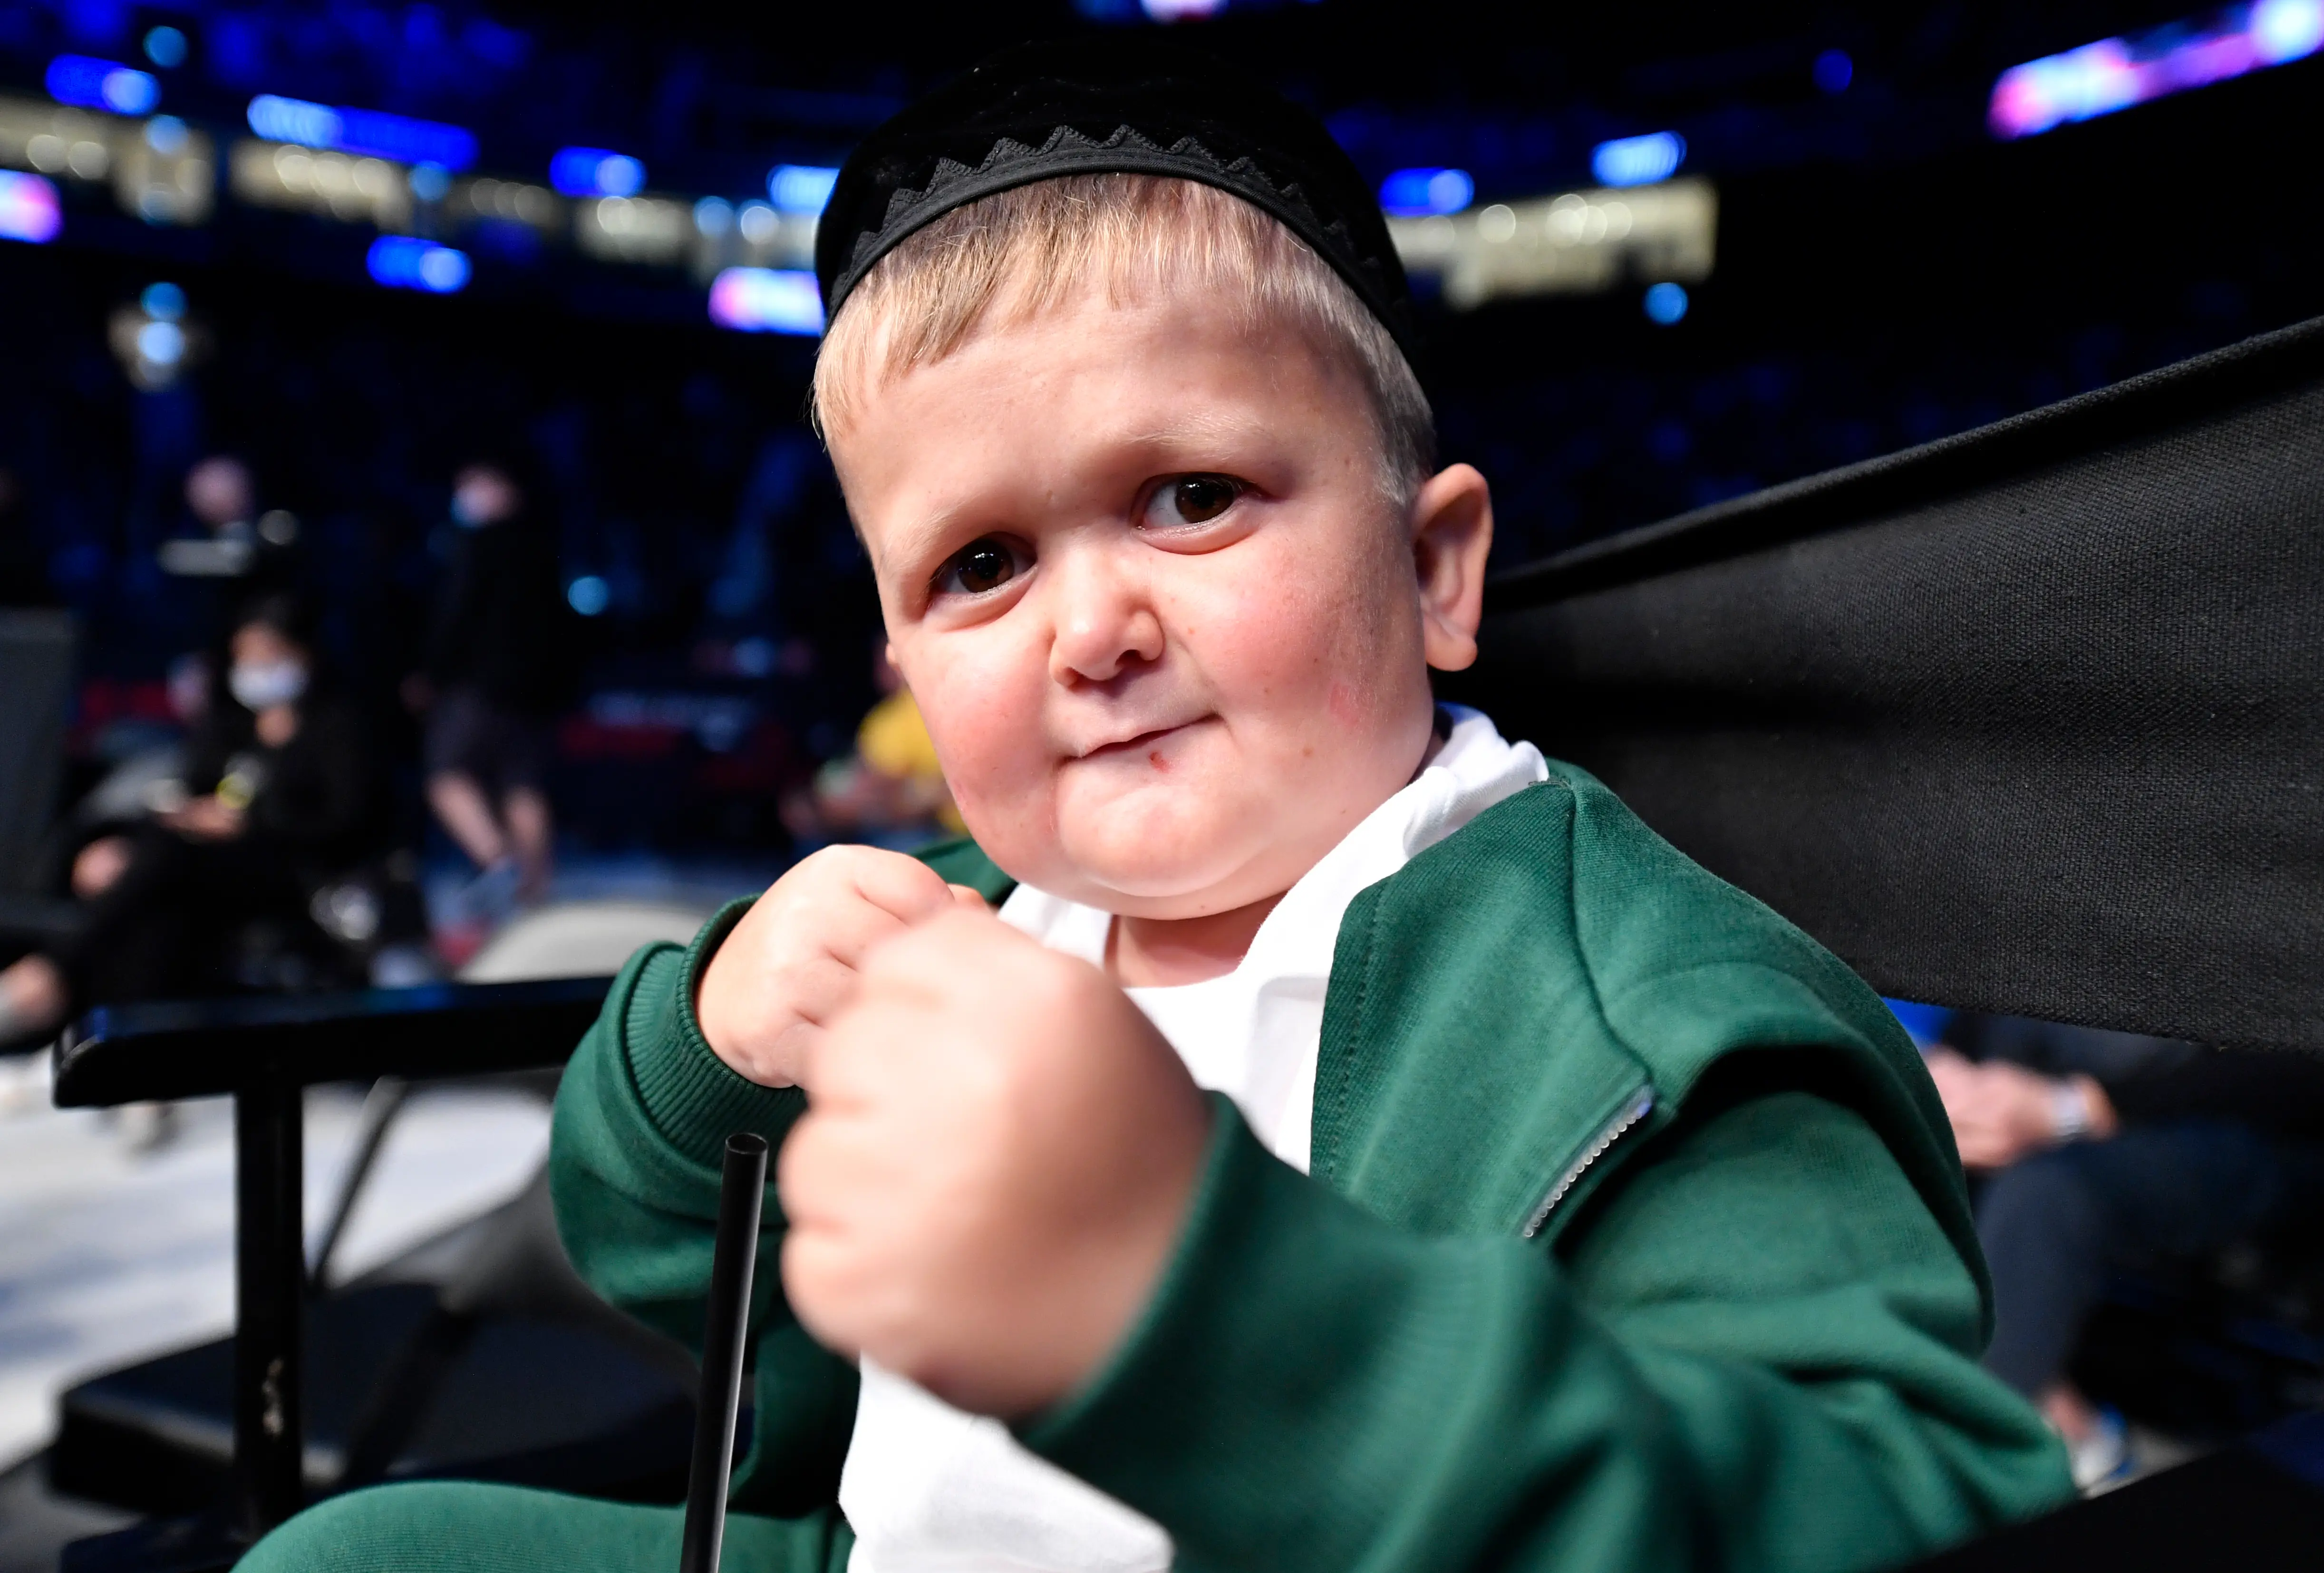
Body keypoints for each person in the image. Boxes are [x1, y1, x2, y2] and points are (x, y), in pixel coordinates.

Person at [242, 41, 2071, 1573]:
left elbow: (1905, 1512)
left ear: (1436, 570)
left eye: (1192, 495)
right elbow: (649, 1248)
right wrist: (710, 1046)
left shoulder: (1657, 1016)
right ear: (894, 657)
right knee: (342, 1551)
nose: (1092, 627)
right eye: (977, 563)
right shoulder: (948, 914)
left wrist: (1199, 1300)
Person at [1926, 1016, 2324, 1489]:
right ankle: (2058, 1419)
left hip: (2244, 1121)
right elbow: (1986, 1011)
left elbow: (2289, 1064)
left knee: (2047, 1195)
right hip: (2045, 1107)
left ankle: (1967, 1468)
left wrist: (2076, 1109)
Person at [0, 595, 368, 1044]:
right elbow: (186, 795)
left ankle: (51, 974)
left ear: (303, 653)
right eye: (246, 656)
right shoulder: (230, 725)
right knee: (156, 908)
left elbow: (346, 821)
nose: (256, 668)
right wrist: (122, 843)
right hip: (199, 868)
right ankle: (120, 1051)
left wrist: (249, 822)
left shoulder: (338, 727)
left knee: (164, 859)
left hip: (288, 870)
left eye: (268, 655)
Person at [410, 458, 570, 910]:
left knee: (446, 774)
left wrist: (432, 673)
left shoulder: (476, 545)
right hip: (536, 691)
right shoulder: (545, 544)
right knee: (524, 785)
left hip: (479, 685)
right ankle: (535, 892)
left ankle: (500, 863)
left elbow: (454, 616)